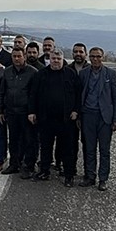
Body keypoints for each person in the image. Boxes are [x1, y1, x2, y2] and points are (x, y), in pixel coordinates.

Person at [28, 48, 81, 184]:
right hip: (46, 118)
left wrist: (76, 110)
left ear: (62, 59)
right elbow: (33, 94)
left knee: (67, 148)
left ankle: (69, 175)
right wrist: (32, 112)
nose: (56, 61)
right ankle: (44, 171)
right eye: (53, 59)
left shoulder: (71, 74)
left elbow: (78, 94)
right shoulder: (41, 74)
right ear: (49, 59)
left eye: (58, 59)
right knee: (46, 147)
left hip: (66, 119)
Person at [79, 47, 116, 191]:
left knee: (104, 150)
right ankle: (90, 176)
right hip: (88, 114)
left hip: (105, 117)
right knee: (89, 148)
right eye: (93, 56)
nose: (95, 59)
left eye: (98, 56)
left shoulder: (111, 74)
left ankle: (103, 179)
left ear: (103, 57)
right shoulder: (84, 73)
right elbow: (80, 95)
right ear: (89, 58)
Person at [1, 47, 38, 177]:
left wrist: (33, 112)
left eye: (19, 56)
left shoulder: (33, 72)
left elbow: (35, 95)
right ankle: (14, 164)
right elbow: (2, 92)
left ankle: (29, 166)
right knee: (13, 139)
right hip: (11, 111)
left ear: (25, 57)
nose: (17, 59)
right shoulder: (7, 72)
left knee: (29, 140)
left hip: (26, 113)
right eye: (14, 56)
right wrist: (1, 110)